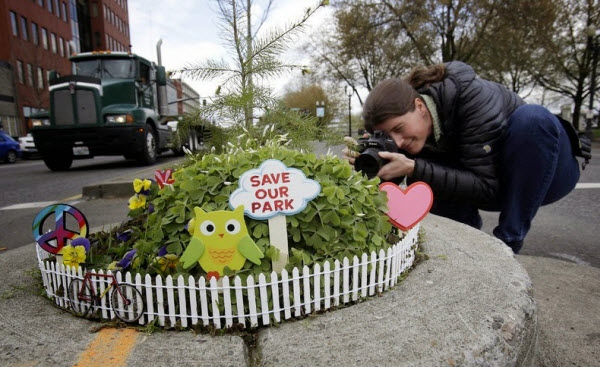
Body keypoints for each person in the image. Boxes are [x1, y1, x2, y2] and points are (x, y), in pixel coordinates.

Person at [345, 61, 582, 254]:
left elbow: (488, 187)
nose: (397, 141)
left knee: (533, 119)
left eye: (399, 128)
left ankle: (508, 243)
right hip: (487, 182)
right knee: (426, 171)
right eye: (388, 136)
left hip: (547, 175)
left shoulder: (471, 97)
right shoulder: (408, 133)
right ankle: (467, 249)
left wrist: (413, 168)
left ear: (419, 106)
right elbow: (396, 189)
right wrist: (370, 165)